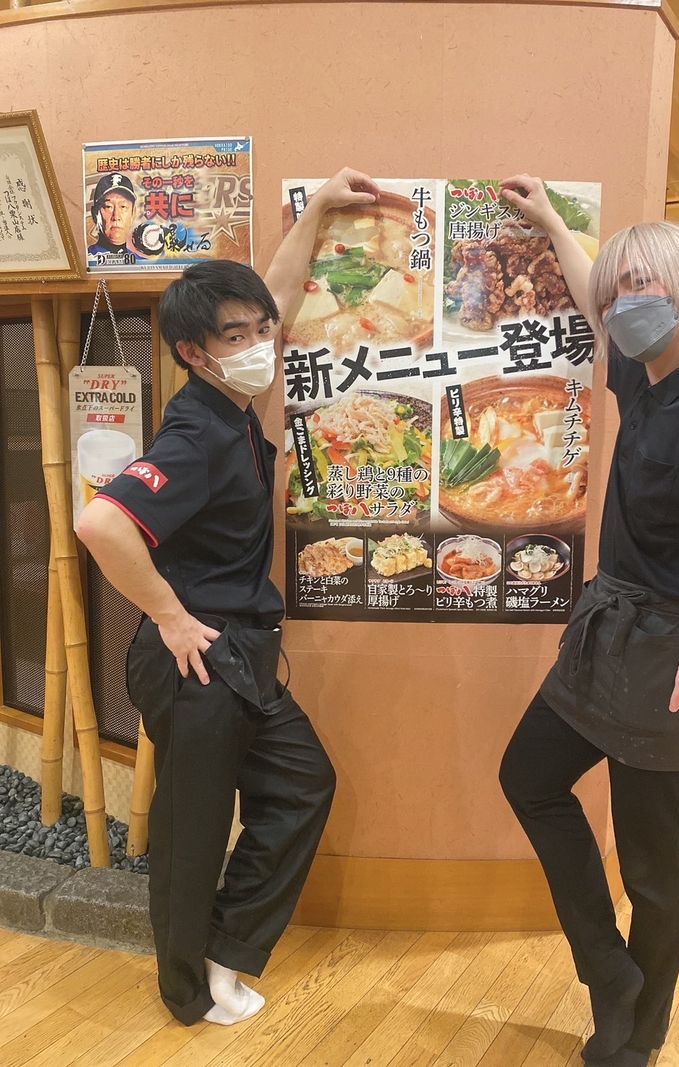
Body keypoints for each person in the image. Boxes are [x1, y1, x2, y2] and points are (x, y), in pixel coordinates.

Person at [497, 175, 679, 1067]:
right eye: (619, 291)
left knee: (652, 861)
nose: (628, 303)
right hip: (608, 627)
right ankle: (611, 973)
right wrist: (551, 221)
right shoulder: (644, 369)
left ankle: (643, 1032)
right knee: (528, 777)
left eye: (646, 285)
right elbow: (595, 300)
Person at [76, 168, 380, 1027]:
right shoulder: (196, 432)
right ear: (193, 353)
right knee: (193, 830)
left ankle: (227, 948)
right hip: (195, 660)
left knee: (303, 784)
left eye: (260, 330)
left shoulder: (237, 400)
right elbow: (101, 524)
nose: (257, 343)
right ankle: (186, 992)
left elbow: (271, 297)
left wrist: (318, 208)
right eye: (234, 335)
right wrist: (171, 616)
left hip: (238, 654)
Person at [87, 172, 141, 258]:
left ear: (133, 213)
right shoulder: (86, 259)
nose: (116, 216)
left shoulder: (142, 262)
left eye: (123, 206)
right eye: (108, 206)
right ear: (95, 214)